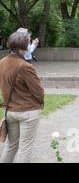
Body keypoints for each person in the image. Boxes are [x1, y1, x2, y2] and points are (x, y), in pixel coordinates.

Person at [0, 31, 45, 163]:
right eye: (28, 43)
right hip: (28, 111)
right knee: (25, 147)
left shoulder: (2, 62)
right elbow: (38, 91)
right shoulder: (25, 66)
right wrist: (40, 104)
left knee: (10, 146)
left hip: (10, 111)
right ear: (23, 46)